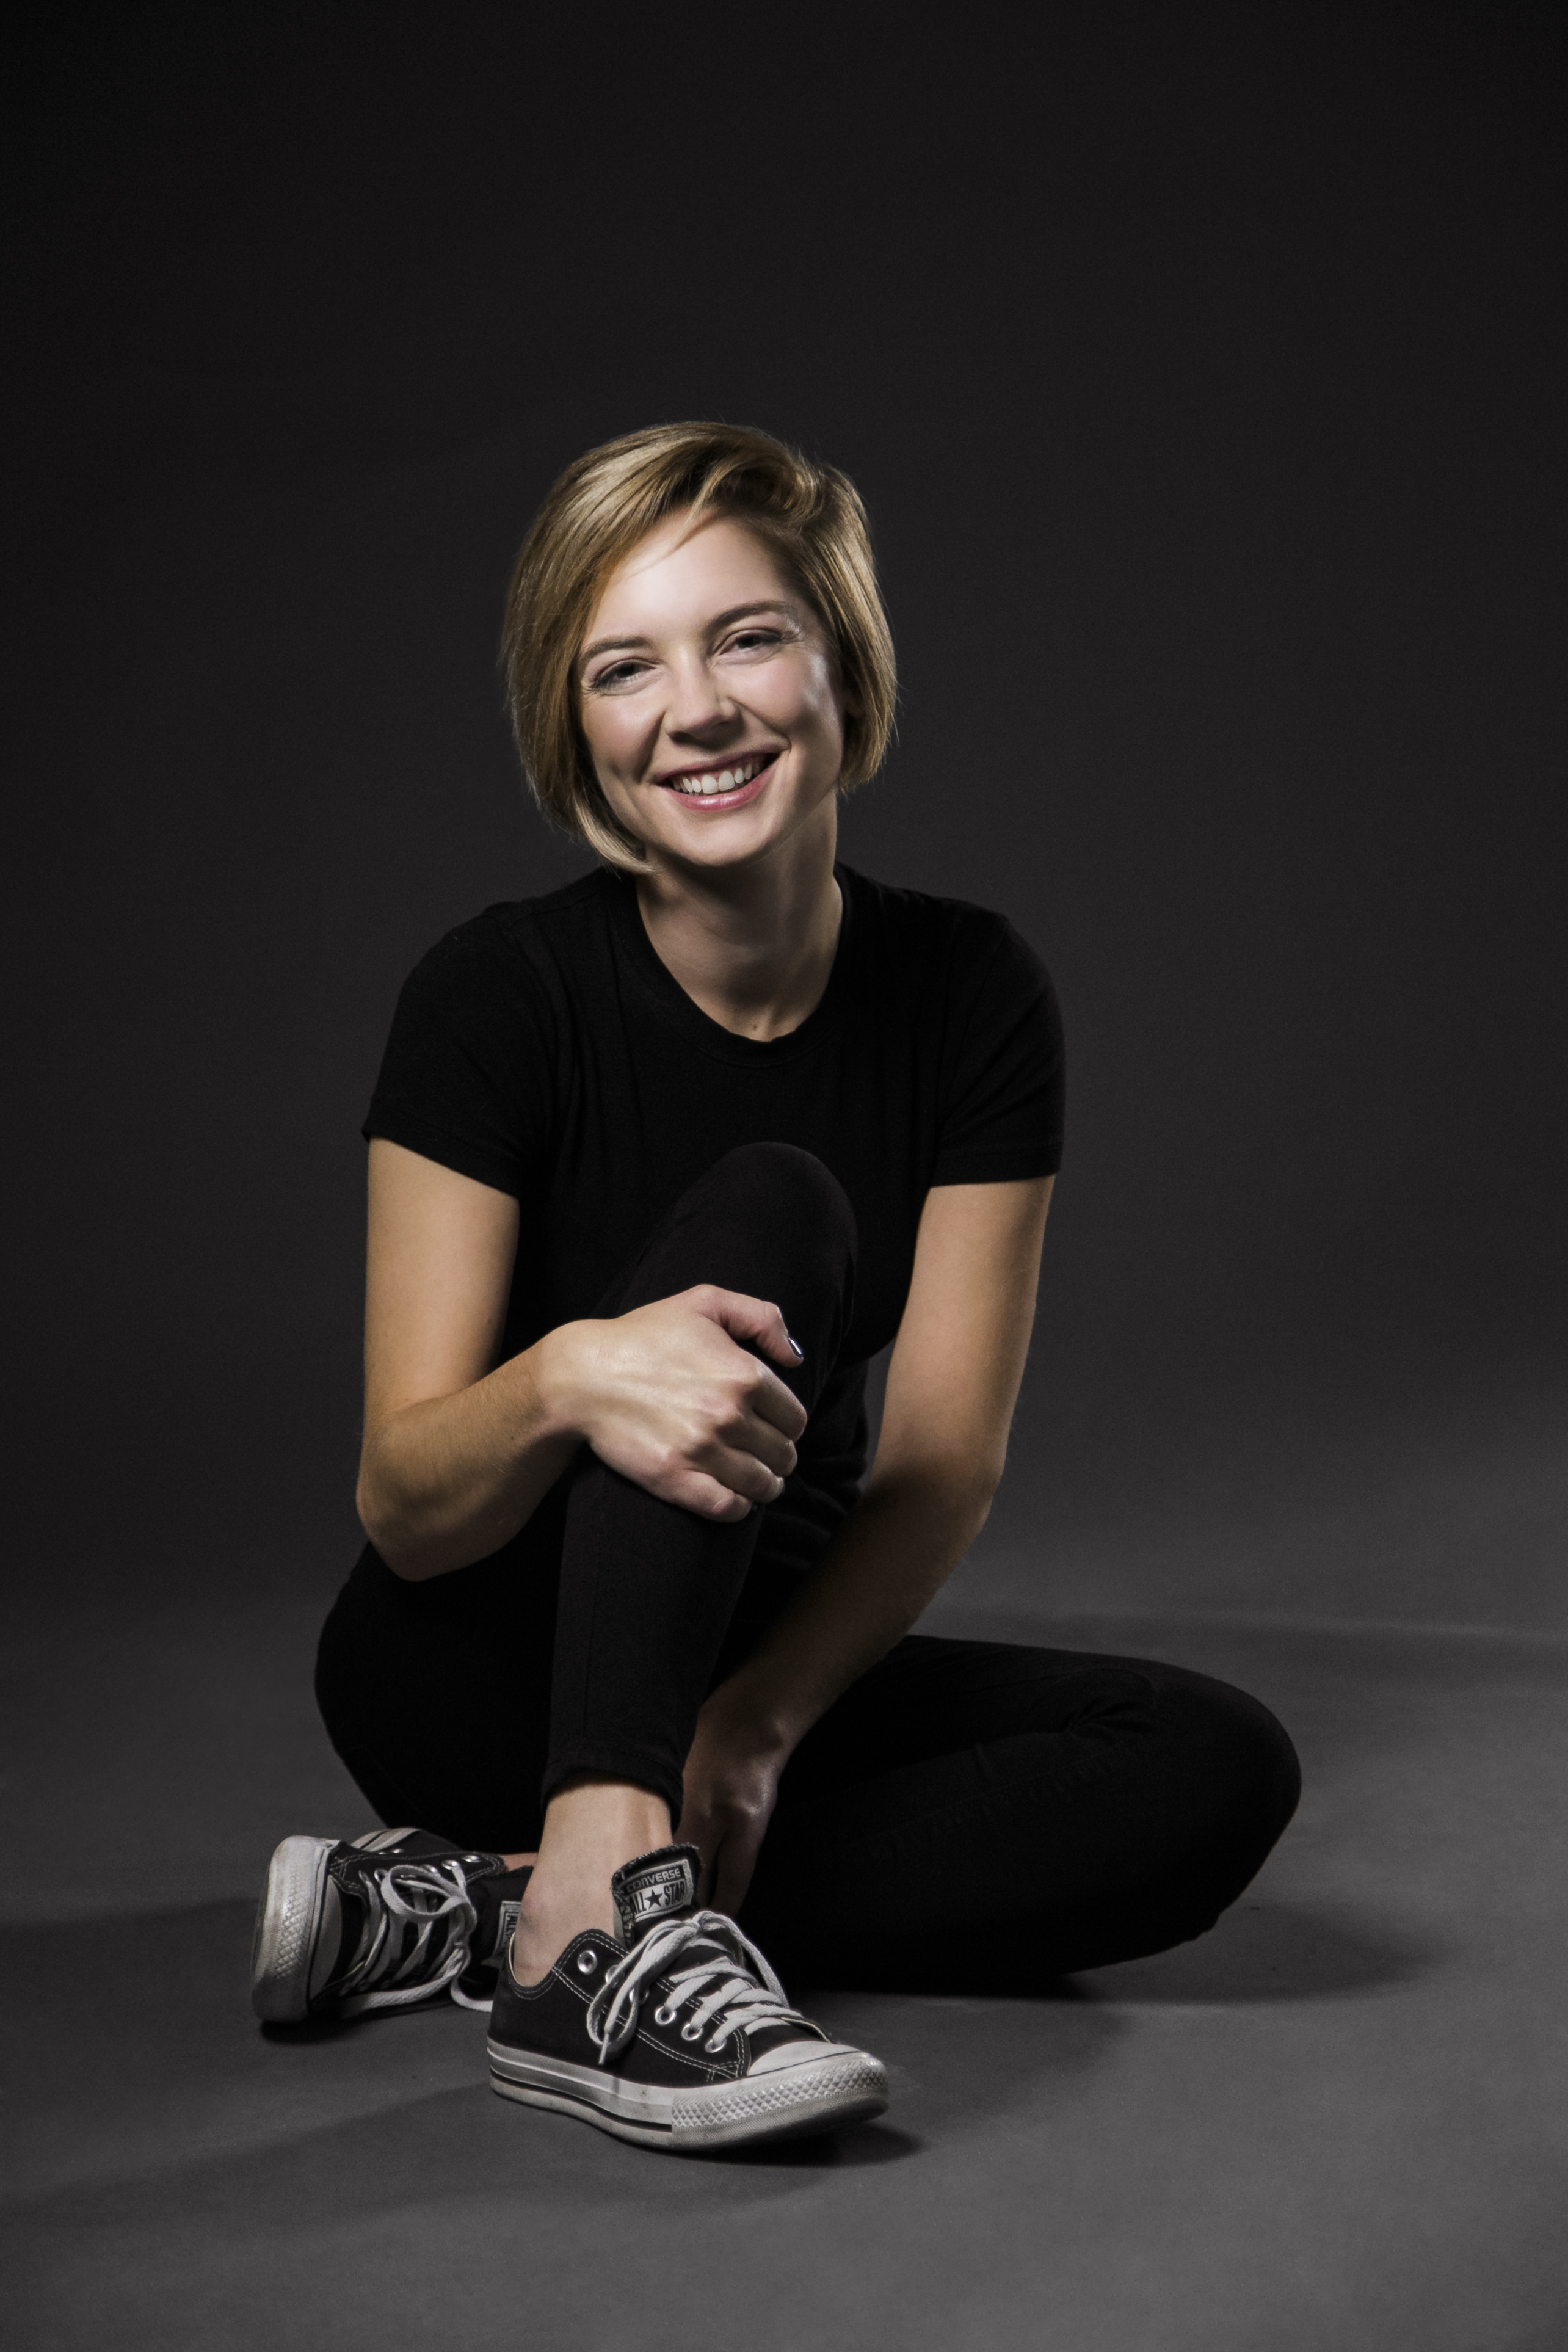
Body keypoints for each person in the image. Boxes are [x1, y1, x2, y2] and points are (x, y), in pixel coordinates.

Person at [250, 422, 1300, 2155]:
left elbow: (940, 1468)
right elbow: (408, 1507)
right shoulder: (494, 995)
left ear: (839, 666)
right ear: (574, 723)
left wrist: (754, 1721)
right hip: (481, 1667)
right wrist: (572, 1374)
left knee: (1209, 1768)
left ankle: (507, 1904)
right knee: (773, 1202)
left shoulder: (969, 991)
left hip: (761, 1643)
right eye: (625, 666)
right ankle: (593, 1936)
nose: (698, 709)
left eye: (747, 637)